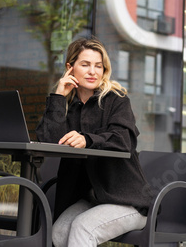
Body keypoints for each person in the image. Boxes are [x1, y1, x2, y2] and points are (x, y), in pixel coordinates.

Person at [35, 37, 154, 247]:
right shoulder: (69, 106)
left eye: (98, 66)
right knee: (58, 234)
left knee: (83, 228)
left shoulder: (116, 100)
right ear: (70, 68)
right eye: (85, 64)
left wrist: (87, 140)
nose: (93, 71)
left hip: (129, 202)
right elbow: (47, 141)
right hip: (94, 200)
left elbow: (123, 140)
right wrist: (58, 98)